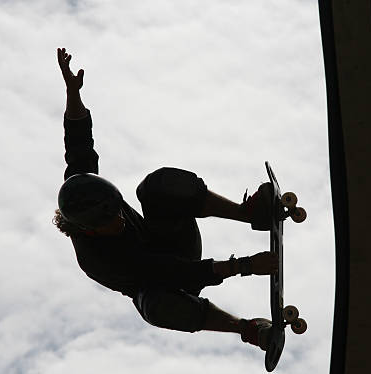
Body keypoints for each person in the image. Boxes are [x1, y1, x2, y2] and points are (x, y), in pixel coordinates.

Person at [54, 48, 279, 351]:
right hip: (168, 282)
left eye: (117, 211)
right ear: (90, 229)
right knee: (155, 306)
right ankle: (248, 329)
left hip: (172, 239)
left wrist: (72, 92)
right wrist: (244, 266)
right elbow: (170, 269)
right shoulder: (98, 260)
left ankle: (251, 214)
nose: (121, 219)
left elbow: (78, 139)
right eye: (110, 222)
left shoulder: (83, 188)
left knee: (155, 187)